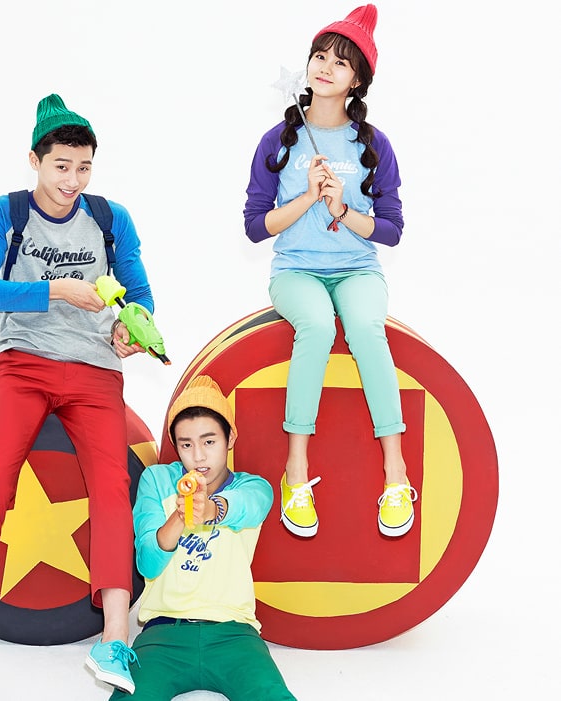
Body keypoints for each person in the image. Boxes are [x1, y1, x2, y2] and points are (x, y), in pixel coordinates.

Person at [0, 94, 154, 699]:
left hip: (95, 370)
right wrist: (58, 289)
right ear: (34, 161)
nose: (73, 180)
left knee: (112, 487)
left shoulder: (111, 218)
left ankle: (114, 638)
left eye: (83, 167)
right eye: (61, 166)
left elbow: (140, 294)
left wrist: (132, 327)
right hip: (23, 365)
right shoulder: (5, 213)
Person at [243, 4, 418, 540]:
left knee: (365, 327)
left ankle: (396, 472)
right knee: (317, 326)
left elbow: (391, 230)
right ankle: (296, 471)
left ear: (357, 80)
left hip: (358, 269)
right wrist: (305, 198)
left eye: (340, 62)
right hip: (296, 270)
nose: (325, 67)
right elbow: (255, 227)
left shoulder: (374, 145)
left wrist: (341, 208)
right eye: (320, 56)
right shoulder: (278, 141)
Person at [109, 375, 297, 700]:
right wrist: (180, 516)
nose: (198, 457)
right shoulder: (157, 480)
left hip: (235, 635)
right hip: (163, 634)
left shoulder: (253, 486)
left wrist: (212, 509)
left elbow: (250, 506)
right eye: (186, 444)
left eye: (209, 442)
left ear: (229, 438)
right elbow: (148, 564)